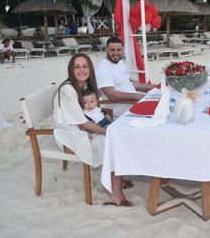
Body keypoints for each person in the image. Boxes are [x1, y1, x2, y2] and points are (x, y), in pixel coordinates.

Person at [53, 53, 133, 207]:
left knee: (117, 135)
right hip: (70, 136)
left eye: (85, 66)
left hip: (80, 129)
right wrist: (110, 131)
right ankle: (114, 188)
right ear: (71, 70)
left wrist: (105, 120)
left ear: (90, 68)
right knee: (116, 140)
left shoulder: (83, 87)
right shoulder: (68, 90)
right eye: (77, 67)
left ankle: (116, 177)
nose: (81, 70)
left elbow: (88, 114)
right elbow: (82, 123)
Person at [95, 36, 154, 116]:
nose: (116, 53)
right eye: (112, 50)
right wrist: (136, 96)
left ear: (122, 50)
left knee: (163, 103)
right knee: (157, 110)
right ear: (106, 50)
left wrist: (148, 86)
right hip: (120, 106)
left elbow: (129, 81)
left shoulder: (120, 63)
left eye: (118, 50)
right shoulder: (103, 69)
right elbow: (111, 95)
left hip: (132, 100)